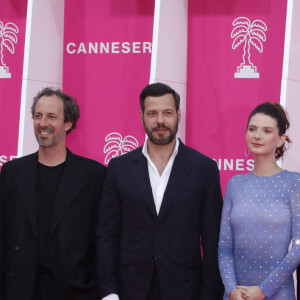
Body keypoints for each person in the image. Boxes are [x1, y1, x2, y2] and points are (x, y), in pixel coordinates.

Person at [97, 82, 224, 300]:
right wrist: (109, 292)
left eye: (167, 113)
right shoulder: (119, 168)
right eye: (152, 113)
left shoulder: (203, 169)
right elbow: (107, 234)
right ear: (141, 116)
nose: (160, 121)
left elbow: (212, 241)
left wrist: (209, 294)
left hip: (185, 290)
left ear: (179, 115)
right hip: (130, 290)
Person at [0, 88, 106, 300]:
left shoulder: (94, 175)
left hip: (75, 292)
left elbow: (102, 241)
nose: (43, 123)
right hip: (20, 291)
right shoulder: (12, 173)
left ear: (68, 123)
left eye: (51, 116)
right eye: (38, 116)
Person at [218, 102, 300, 300]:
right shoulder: (235, 184)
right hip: (236, 296)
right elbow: (224, 246)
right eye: (252, 129)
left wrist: (263, 290)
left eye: (266, 130)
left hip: (278, 294)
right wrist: (231, 290)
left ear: (281, 140)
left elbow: (298, 245)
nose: (257, 135)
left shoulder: (293, 182)